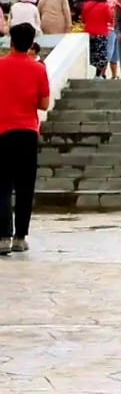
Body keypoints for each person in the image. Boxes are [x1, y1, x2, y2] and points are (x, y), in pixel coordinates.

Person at [0, 23, 51, 254]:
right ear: (31, 44)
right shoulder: (38, 69)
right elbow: (44, 104)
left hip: (3, 131)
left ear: (11, 42)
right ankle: (20, 237)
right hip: (28, 132)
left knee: (2, 185)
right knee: (25, 186)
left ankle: (3, 236)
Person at [80, 0, 115, 78]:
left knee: (90, 54)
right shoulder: (105, 6)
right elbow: (110, 19)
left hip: (88, 33)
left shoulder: (87, 5)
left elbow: (83, 19)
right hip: (101, 33)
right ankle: (97, 74)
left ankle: (91, 74)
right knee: (101, 55)